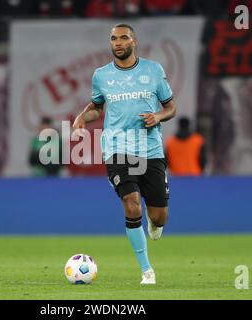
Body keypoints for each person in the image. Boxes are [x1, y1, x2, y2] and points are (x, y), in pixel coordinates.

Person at [72, 24, 176, 284]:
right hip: (118, 148)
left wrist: (158, 116)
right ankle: (146, 270)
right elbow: (97, 106)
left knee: (158, 215)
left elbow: (171, 107)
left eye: (123, 38)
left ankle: (155, 223)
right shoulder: (101, 75)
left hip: (150, 149)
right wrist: (83, 117)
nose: (117, 42)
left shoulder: (153, 70)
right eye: (113, 38)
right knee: (131, 202)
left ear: (134, 41)